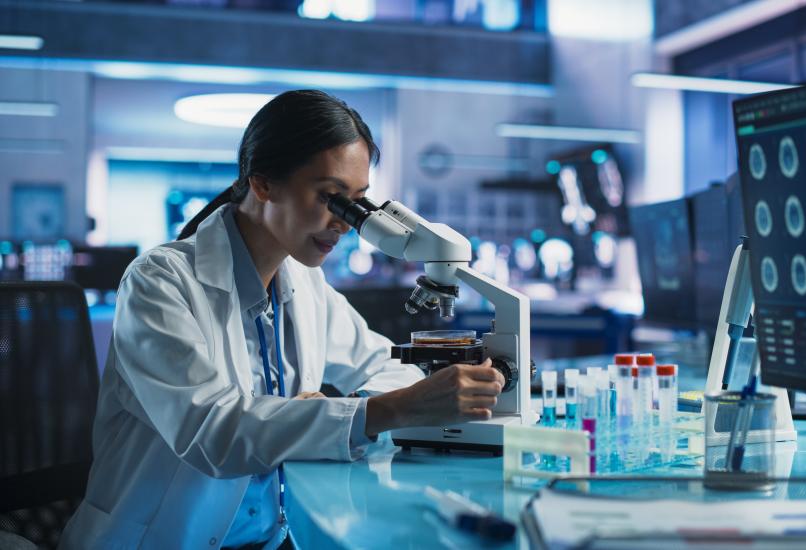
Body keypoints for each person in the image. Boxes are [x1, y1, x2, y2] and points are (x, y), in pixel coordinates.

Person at [60, 90, 504, 549]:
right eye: (331, 197)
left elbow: (389, 364)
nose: (345, 223)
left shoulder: (305, 283)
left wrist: (350, 406)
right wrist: (382, 411)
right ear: (263, 184)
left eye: (358, 203)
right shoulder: (160, 282)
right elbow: (212, 431)